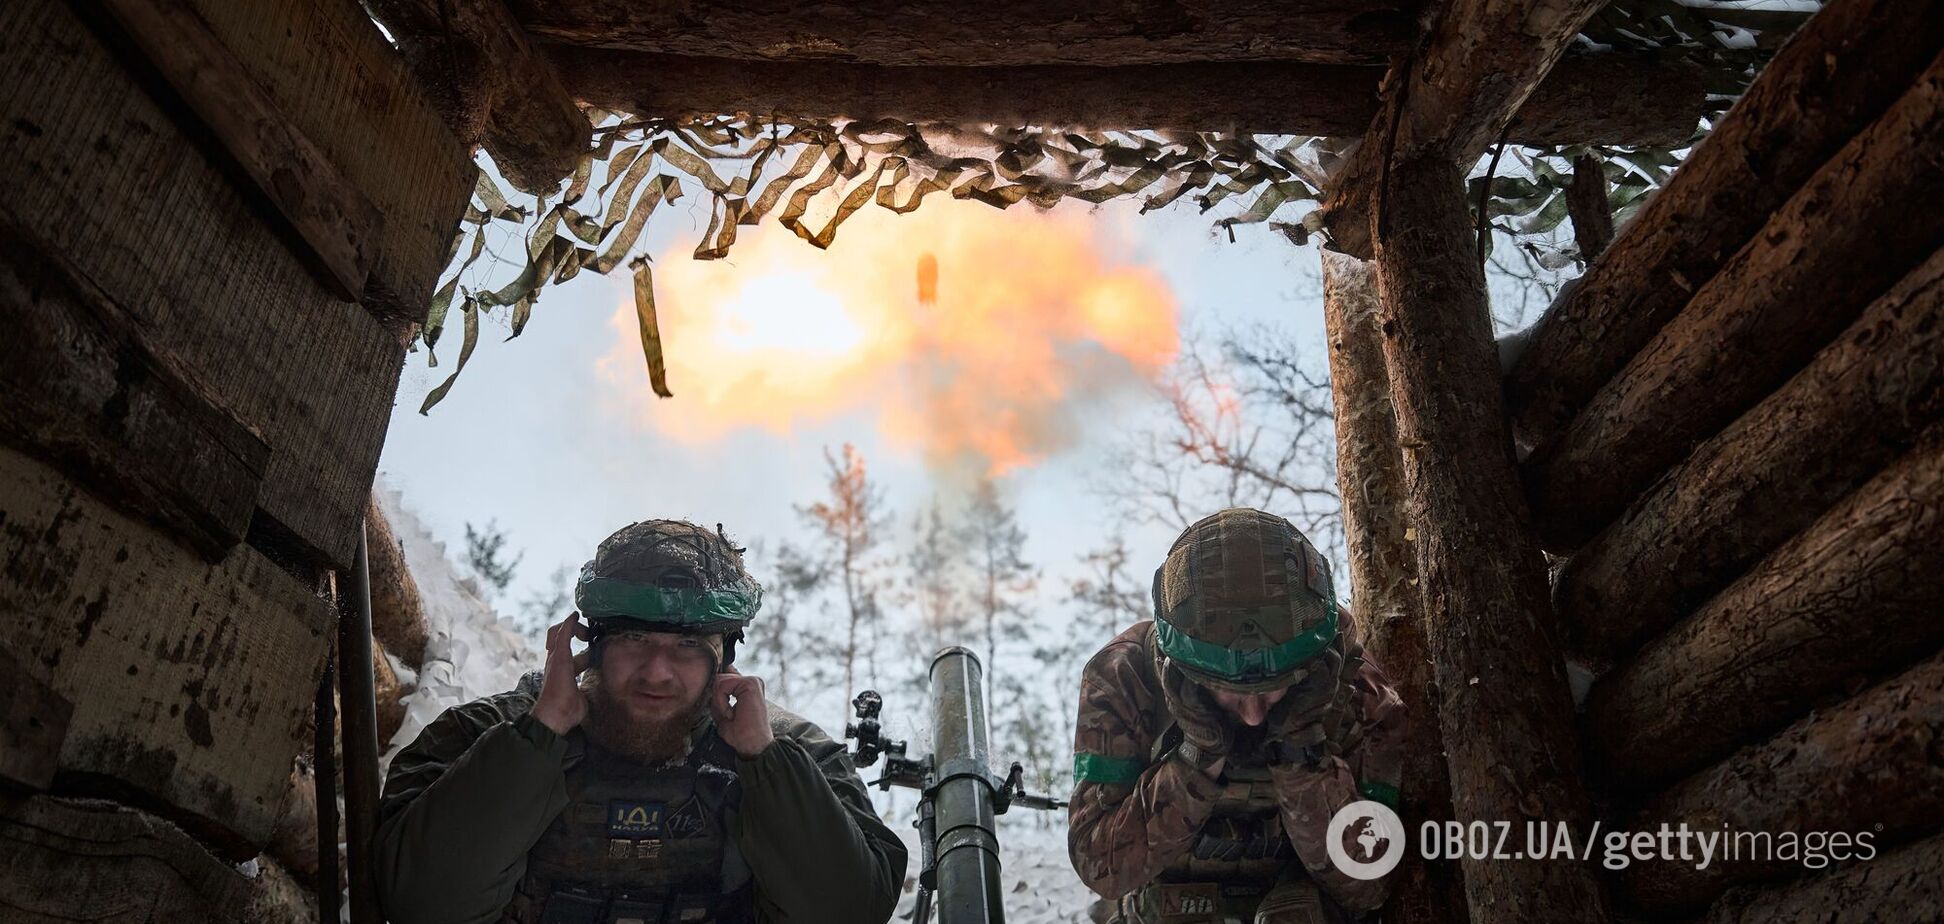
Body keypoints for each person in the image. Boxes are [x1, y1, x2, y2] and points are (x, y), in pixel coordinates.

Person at [374, 519, 907, 924]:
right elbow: (422, 901)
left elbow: (850, 910)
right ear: (590, 645)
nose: (657, 671)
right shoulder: (484, 735)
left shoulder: (791, 754)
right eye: (633, 639)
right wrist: (541, 733)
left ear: (724, 661)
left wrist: (763, 762)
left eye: (687, 647)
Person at [1068, 508, 1406, 924]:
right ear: (1185, 672)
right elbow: (1101, 866)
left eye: (1273, 690)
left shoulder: (1357, 691)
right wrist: (1195, 761)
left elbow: (1370, 882)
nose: (1252, 717)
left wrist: (1302, 755)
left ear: (1310, 668)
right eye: (1231, 693)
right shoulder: (1125, 678)